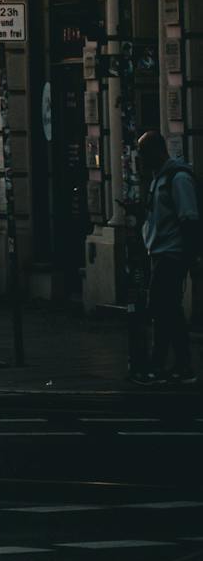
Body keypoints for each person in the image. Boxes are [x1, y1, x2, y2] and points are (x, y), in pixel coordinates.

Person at [128, 131, 199, 386]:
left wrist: (190, 259)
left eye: (144, 154)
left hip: (172, 253)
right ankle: (182, 365)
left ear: (157, 151)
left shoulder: (178, 179)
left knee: (160, 307)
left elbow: (189, 218)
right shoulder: (159, 178)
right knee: (170, 311)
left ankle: (159, 364)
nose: (142, 160)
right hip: (160, 252)